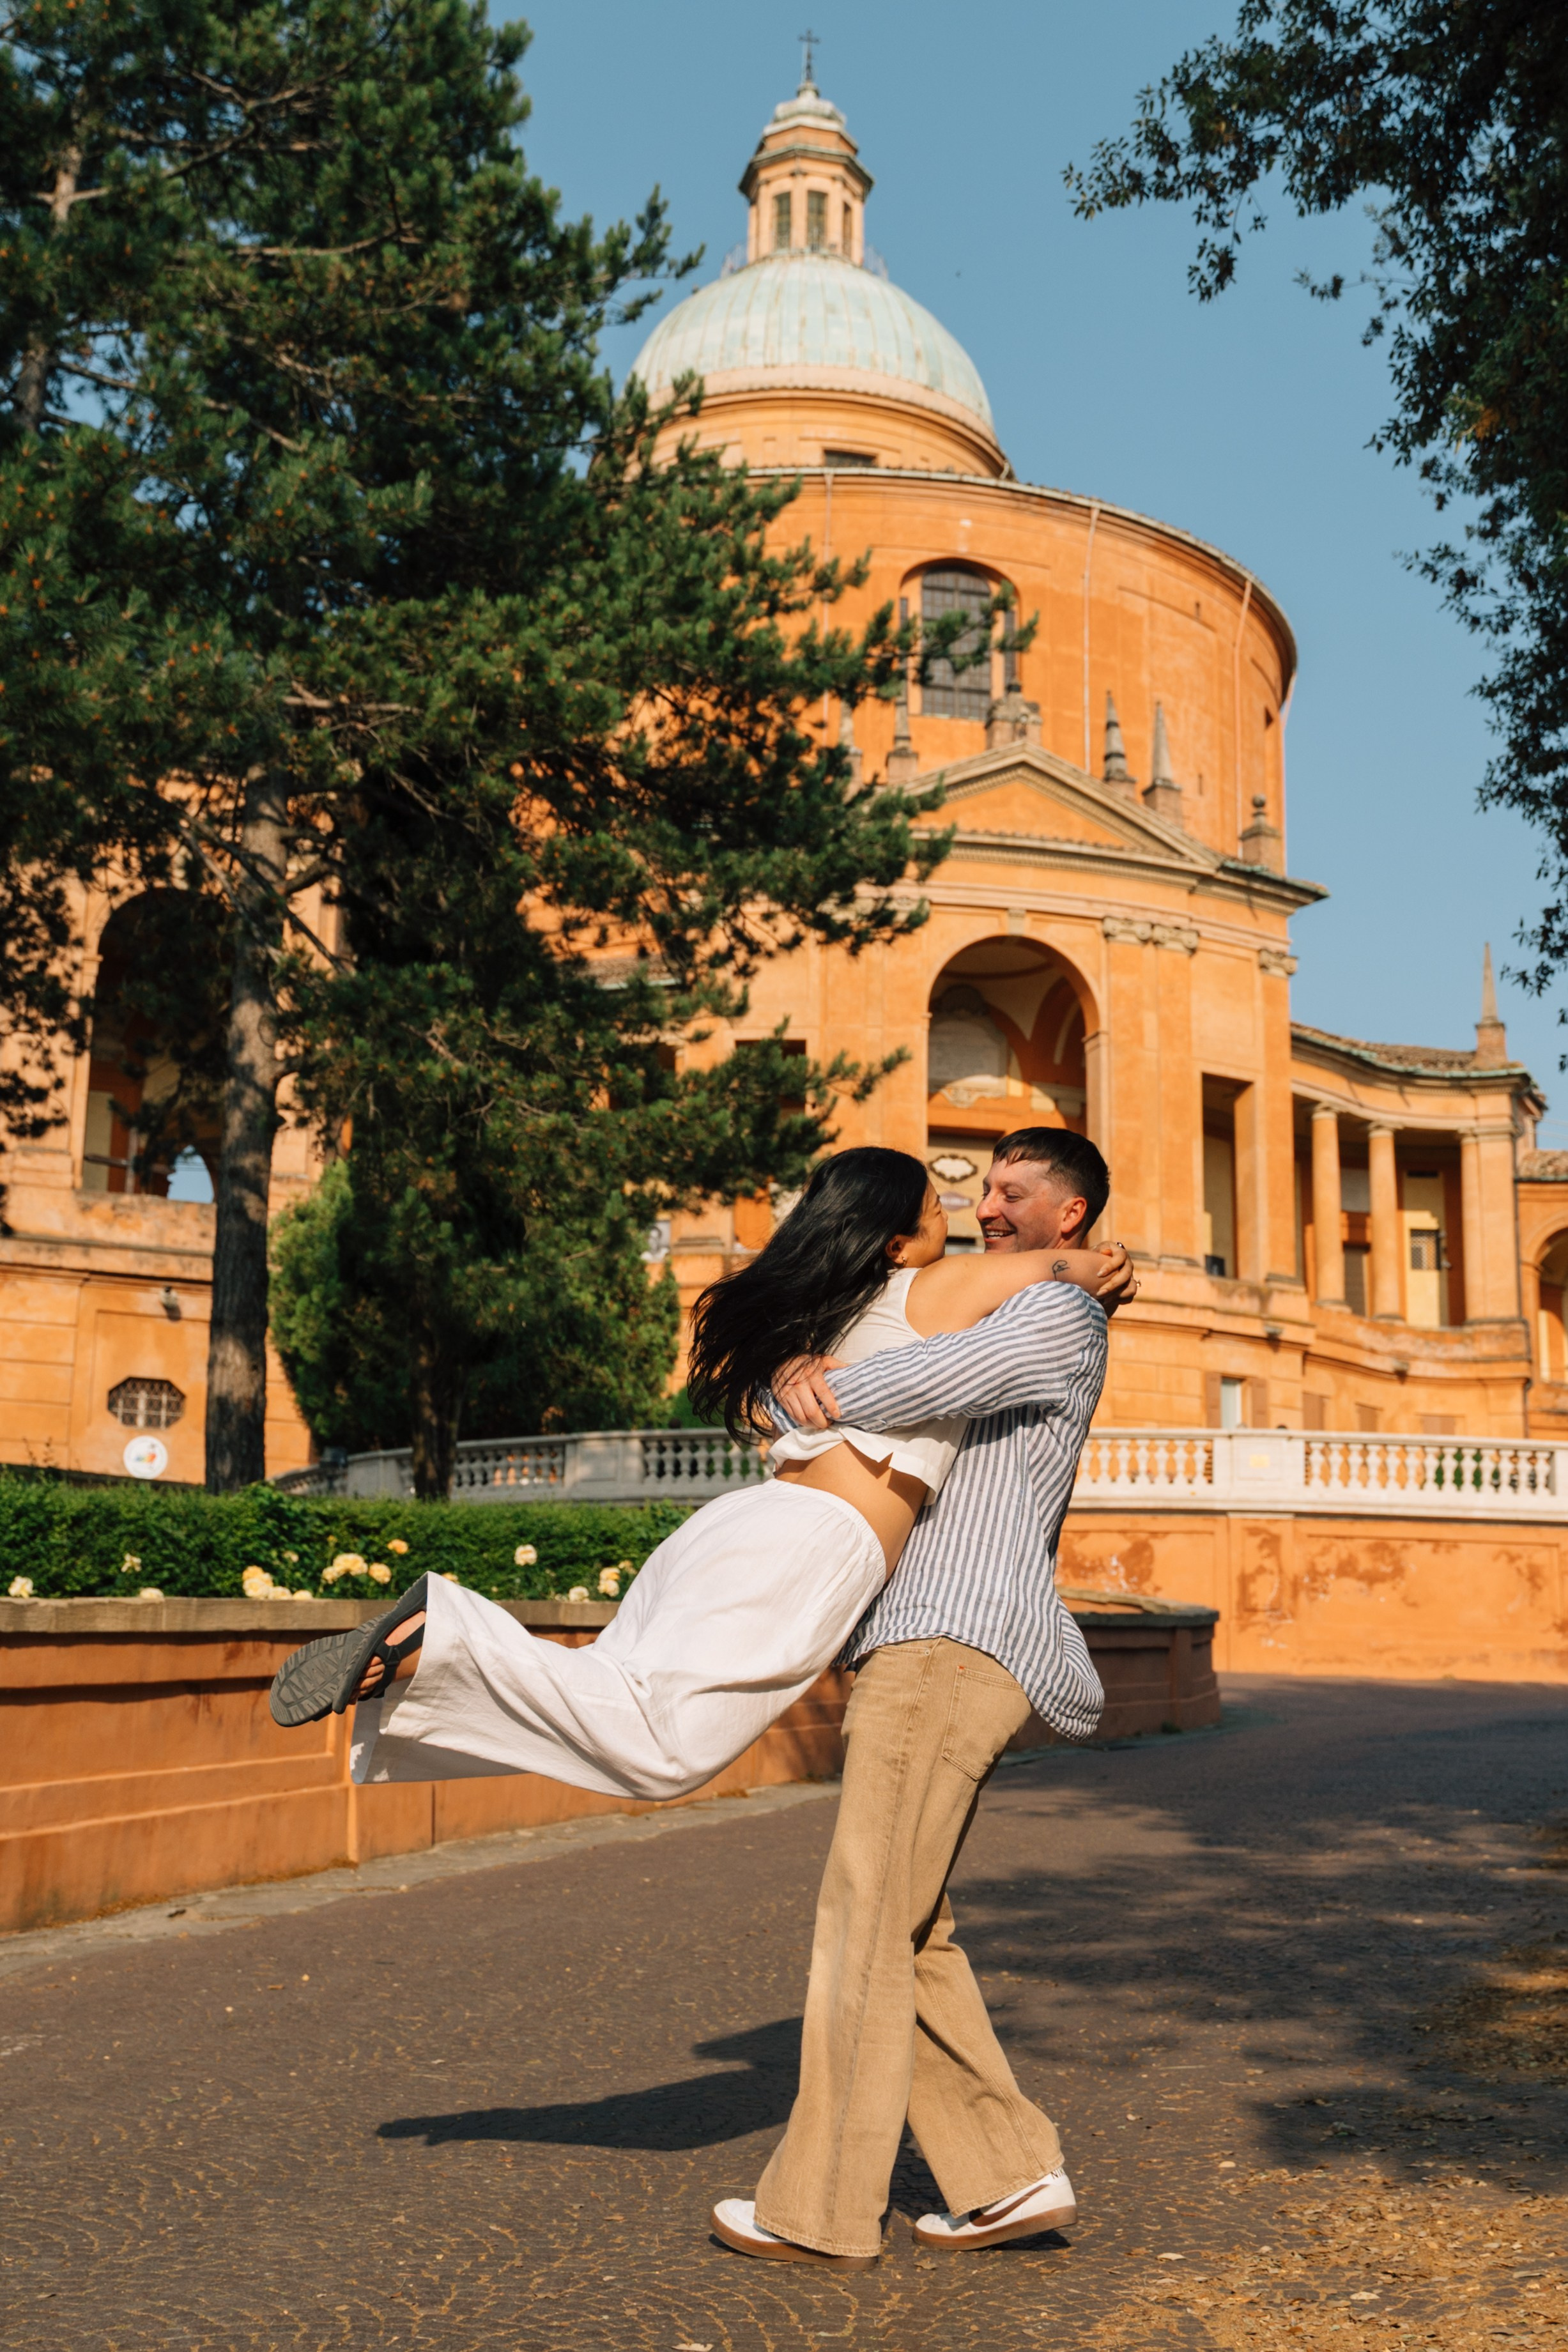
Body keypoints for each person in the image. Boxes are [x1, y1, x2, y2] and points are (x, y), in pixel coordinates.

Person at [266, 1146, 1133, 1810]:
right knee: (666, 1748)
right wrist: (1109, 1266)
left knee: (625, 1704)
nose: (966, 1217)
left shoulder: (827, 1312)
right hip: (817, 1543)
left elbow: (770, 1404)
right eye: (942, 1208)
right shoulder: (930, 1286)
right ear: (898, 1236)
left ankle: (426, 1657)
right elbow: (1065, 1269)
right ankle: (437, 1632)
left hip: (743, 1525)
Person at [711, 1127, 1121, 2270]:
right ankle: (1004, 2173)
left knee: (859, 1914)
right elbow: (901, 1314)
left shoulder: (1053, 1317)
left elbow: (930, 1379)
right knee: (911, 1922)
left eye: (1013, 1192)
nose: (985, 1205)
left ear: (1070, 1214)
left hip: (952, 1640)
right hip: (925, 1640)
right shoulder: (1016, 1293)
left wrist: (813, 1390)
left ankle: (820, 2208)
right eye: (980, 1187)